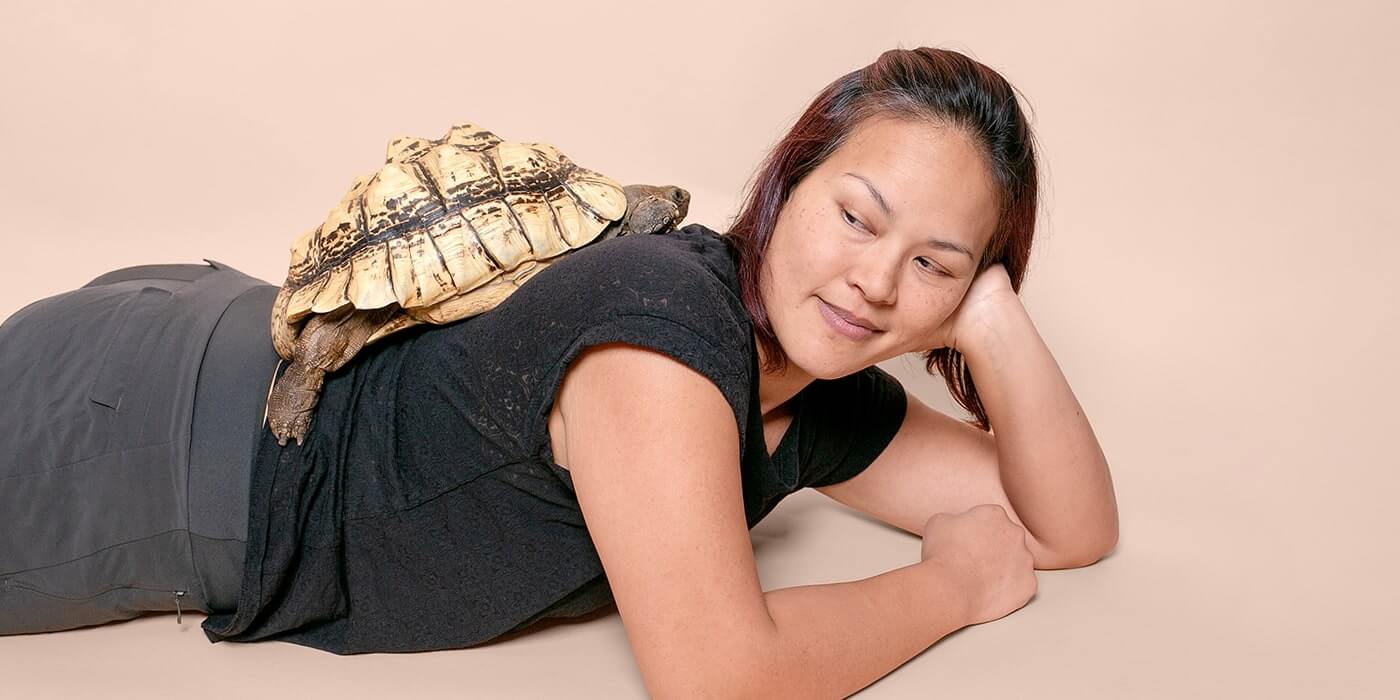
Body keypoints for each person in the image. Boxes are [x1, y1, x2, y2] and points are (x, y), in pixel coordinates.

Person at [0, 47, 1118, 696]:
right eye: (855, 216)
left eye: (931, 262)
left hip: (211, 357)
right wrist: (955, 586)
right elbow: (719, 678)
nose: (876, 281)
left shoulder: (813, 395)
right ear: (788, 181)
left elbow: (1065, 527)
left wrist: (993, 321)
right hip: (147, 444)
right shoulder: (662, 326)